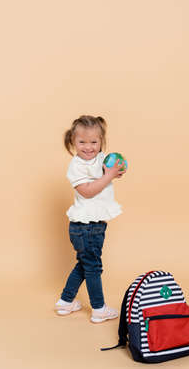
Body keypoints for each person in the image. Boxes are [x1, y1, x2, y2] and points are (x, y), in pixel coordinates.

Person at [55, 115, 126, 323]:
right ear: (72, 142)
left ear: (101, 142)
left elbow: (107, 172)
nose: (88, 147)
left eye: (94, 142)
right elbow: (87, 191)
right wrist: (108, 177)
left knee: (84, 264)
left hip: (94, 225)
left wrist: (114, 171)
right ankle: (98, 308)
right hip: (85, 227)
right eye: (82, 142)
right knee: (94, 267)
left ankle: (65, 302)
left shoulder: (100, 159)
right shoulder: (76, 166)